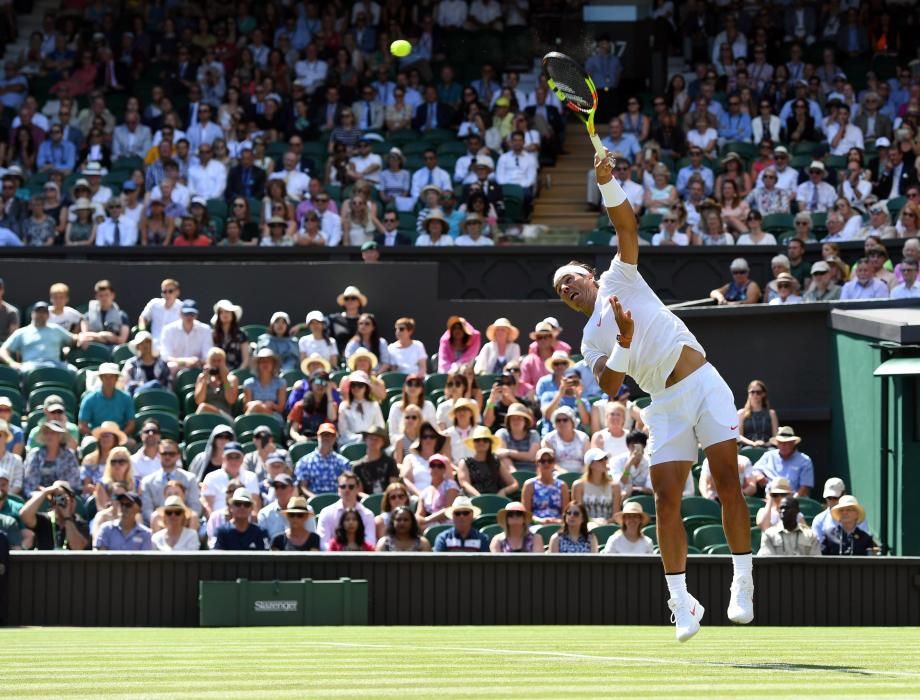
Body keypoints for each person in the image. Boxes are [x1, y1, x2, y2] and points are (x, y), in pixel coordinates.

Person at [553, 151, 754, 640]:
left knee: (727, 482)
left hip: (703, 385)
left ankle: (742, 579)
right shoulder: (588, 342)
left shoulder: (621, 276)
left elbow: (625, 226)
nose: (567, 289)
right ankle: (681, 602)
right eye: (560, 290)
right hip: (662, 405)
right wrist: (622, 340)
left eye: (571, 278)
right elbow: (610, 386)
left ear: (590, 274)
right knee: (665, 498)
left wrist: (607, 183)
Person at [139, 438, 201, 524]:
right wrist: (161, 524)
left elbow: (195, 506)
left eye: (171, 454)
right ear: (158, 455)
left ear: (178, 456)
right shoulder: (148, 481)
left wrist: (183, 523)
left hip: (184, 525)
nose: (167, 456)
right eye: (164, 453)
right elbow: (147, 509)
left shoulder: (190, 479)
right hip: (157, 527)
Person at [0, 301, 74, 371]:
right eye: (38, 312)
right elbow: (2, 350)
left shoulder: (56, 329)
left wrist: (82, 337)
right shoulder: (22, 332)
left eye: (44, 312)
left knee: (73, 371)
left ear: (48, 315)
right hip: (31, 366)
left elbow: (73, 340)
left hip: (55, 365)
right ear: (32, 313)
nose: (41, 314)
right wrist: (11, 363)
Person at [18, 479, 89, 550]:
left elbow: (78, 547)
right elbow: (24, 515)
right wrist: (45, 492)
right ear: (52, 502)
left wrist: (67, 517)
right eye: (58, 498)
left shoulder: (79, 523)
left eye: (66, 498)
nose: (62, 501)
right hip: (45, 561)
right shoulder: (44, 520)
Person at [316, 471, 376, 549]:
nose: (347, 490)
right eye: (343, 486)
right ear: (338, 489)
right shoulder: (326, 512)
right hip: (333, 557)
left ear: (357, 489)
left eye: (351, 487)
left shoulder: (368, 514)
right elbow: (323, 543)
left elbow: (370, 542)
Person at [752, 426, 814, 498]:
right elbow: (753, 470)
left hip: (793, 500)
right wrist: (758, 476)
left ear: (793, 443)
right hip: (770, 498)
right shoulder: (768, 455)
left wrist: (792, 500)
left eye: (786, 443)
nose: (783, 445)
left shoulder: (805, 460)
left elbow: (805, 487)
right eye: (780, 442)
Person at [201, 442, 261, 516]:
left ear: (242, 459)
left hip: (245, 521)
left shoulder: (251, 477)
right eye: (229, 457)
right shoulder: (211, 477)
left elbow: (255, 505)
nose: (233, 461)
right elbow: (207, 505)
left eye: (237, 457)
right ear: (223, 458)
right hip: (218, 521)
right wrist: (214, 523)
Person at [77, 362, 135, 437]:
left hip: (119, 436)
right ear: (101, 378)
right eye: (105, 377)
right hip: (95, 437)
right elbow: (82, 425)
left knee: (131, 443)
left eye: (112, 377)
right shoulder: (89, 399)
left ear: (116, 378)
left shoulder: (126, 398)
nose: (108, 380)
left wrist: (120, 436)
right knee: (89, 443)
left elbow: (131, 424)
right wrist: (96, 435)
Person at [457, 426, 516, 498]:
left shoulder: (496, 462)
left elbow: (514, 484)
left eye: (485, 440)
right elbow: (464, 483)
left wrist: (503, 491)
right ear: (474, 443)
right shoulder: (465, 462)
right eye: (477, 440)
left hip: (494, 501)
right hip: (470, 501)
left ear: (490, 443)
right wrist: (480, 498)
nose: (481, 442)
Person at [572, 447, 621, 524]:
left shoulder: (615, 486)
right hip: (585, 526)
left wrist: (606, 522)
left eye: (605, 458)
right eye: (600, 460)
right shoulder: (578, 486)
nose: (605, 461)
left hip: (608, 526)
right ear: (591, 465)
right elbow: (578, 513)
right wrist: (593, 521)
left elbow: (616, 516)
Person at [522, 447, 569, 524]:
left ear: (554, 463)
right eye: (542, 461)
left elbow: (565, 514)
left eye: (550, 461)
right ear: (537, 463)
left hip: (558, 524)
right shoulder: (529, 485)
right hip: (536, 525)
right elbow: (526, 514)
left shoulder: (562, 485)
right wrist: (540, 521)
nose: (546, 464)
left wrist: (556, 521)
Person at [541, 406, 589, 473]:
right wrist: (565, 474)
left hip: (581, 472)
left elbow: (588, 461)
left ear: (572, 421)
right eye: (558, 420)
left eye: (565, 420)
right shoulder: (549, 439)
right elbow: (549, 462)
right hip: (557, 473)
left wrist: (582, 475)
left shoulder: (583, 437)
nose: (561, 423)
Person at [353, 426, 399, 495]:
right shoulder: (357, 467)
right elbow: (359, 492)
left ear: (383, 442)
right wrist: (370, 500)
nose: (373, 442)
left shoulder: (390, 462)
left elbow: (393, 486)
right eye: (371, 438)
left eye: (377, 439)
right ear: (365, 440)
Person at [737, 380, 779, 448]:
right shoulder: (741, 413)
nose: (755, 395)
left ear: (763, 394)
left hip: (768, 448)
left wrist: (765, 444)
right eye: (752, 392)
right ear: (748, 393)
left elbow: (776, 436)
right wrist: (753, 443)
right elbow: (739, 436)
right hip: (747, 448)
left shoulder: (771, 413)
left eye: (758, 392)